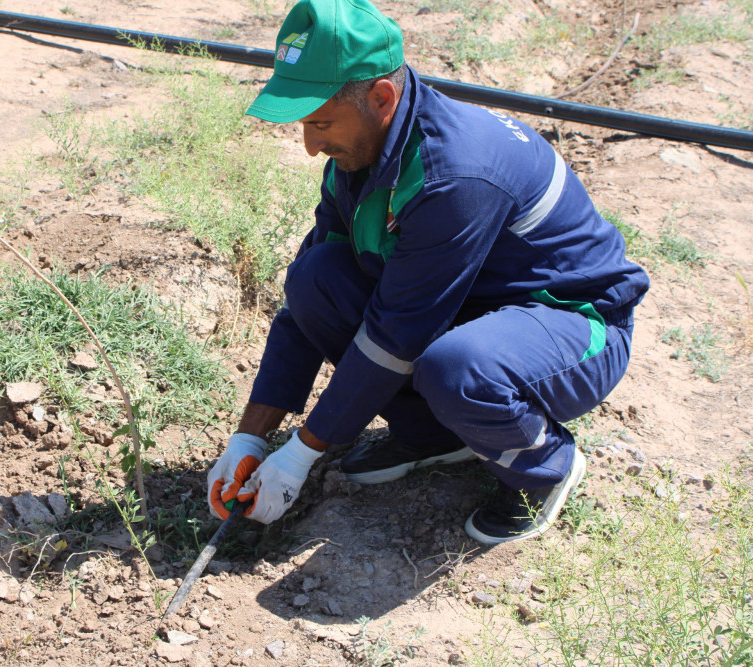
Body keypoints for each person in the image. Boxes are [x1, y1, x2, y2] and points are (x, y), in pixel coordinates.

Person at [207, 0, 649, 544]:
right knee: (316, 278)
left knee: (458, 369)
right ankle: (431, 435)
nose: (310, 145)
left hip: (571, 321)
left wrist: (302, 452)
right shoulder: (358, 160)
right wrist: (250, 440)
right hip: (472, 306)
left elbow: (398, 332)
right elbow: (306, 308)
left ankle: (543, 466)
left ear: (381, 97)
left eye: (320, 121)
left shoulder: (454, 175)